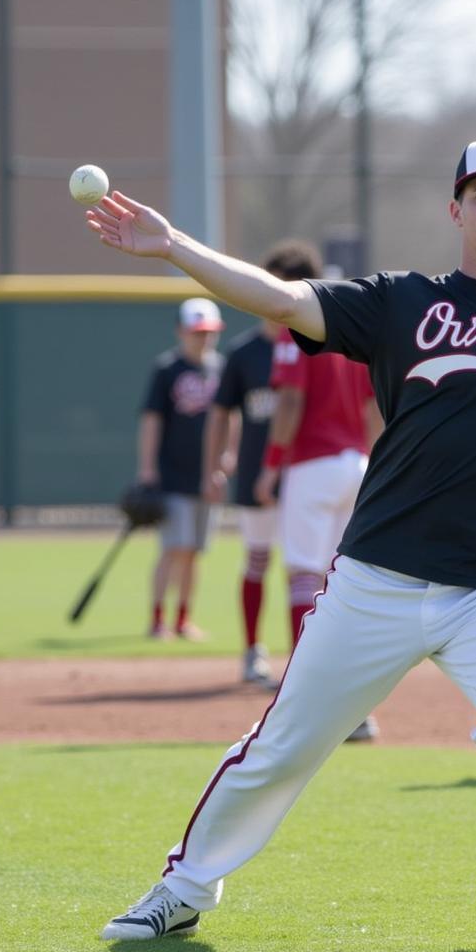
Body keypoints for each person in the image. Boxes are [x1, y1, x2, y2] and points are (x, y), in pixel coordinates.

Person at [85, 135, 476, 952]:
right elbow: (283, 299)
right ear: (456, 210)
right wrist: (175, 247)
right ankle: (183, 890)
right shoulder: (404, 301)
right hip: (379, 574)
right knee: (283, 744)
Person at [254, 249, 383, 740]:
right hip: (357, 463)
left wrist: (270, 466)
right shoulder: (352, 331)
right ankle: (356, 709)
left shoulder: (294, 330)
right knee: (341, 587)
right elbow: (374, 404)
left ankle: (302, 694)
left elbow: (289, 401)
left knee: (303, 579)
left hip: (312, 465)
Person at [202, 242, 324, 687]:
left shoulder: (319, 345)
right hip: (258, 470)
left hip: (308, 474)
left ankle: (305, 662)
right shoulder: (244, 352)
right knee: (257, 560)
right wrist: (213, 468)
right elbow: (221, 413)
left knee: (310, 572)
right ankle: (254, 650)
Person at [138, 298, 225, 640]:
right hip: (172, 474)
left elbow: (231, 418)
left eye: (208, 333)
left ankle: (183, 619)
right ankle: (158, 620)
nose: (203, 339)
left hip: (207, 479)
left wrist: (226, 457)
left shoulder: (221, 368)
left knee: (194, 553)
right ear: (181, 332)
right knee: (174, 549)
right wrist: (147, 468)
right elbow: (151, 420)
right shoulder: (167, 369)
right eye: (196, 333)